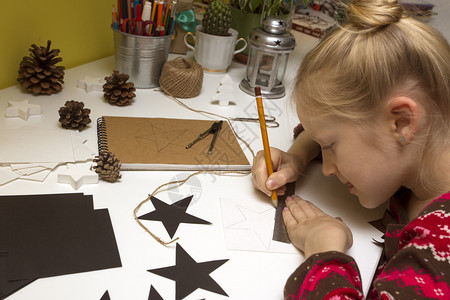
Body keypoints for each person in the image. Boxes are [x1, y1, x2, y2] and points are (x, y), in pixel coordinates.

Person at [251, 0, 450, 298]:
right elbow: (326, 127)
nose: (328, 169)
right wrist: (300, 155)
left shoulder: (440, 249)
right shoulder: (424, 146)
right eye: (324, 146)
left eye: (330, 146)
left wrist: (325, 248)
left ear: (402, 123)